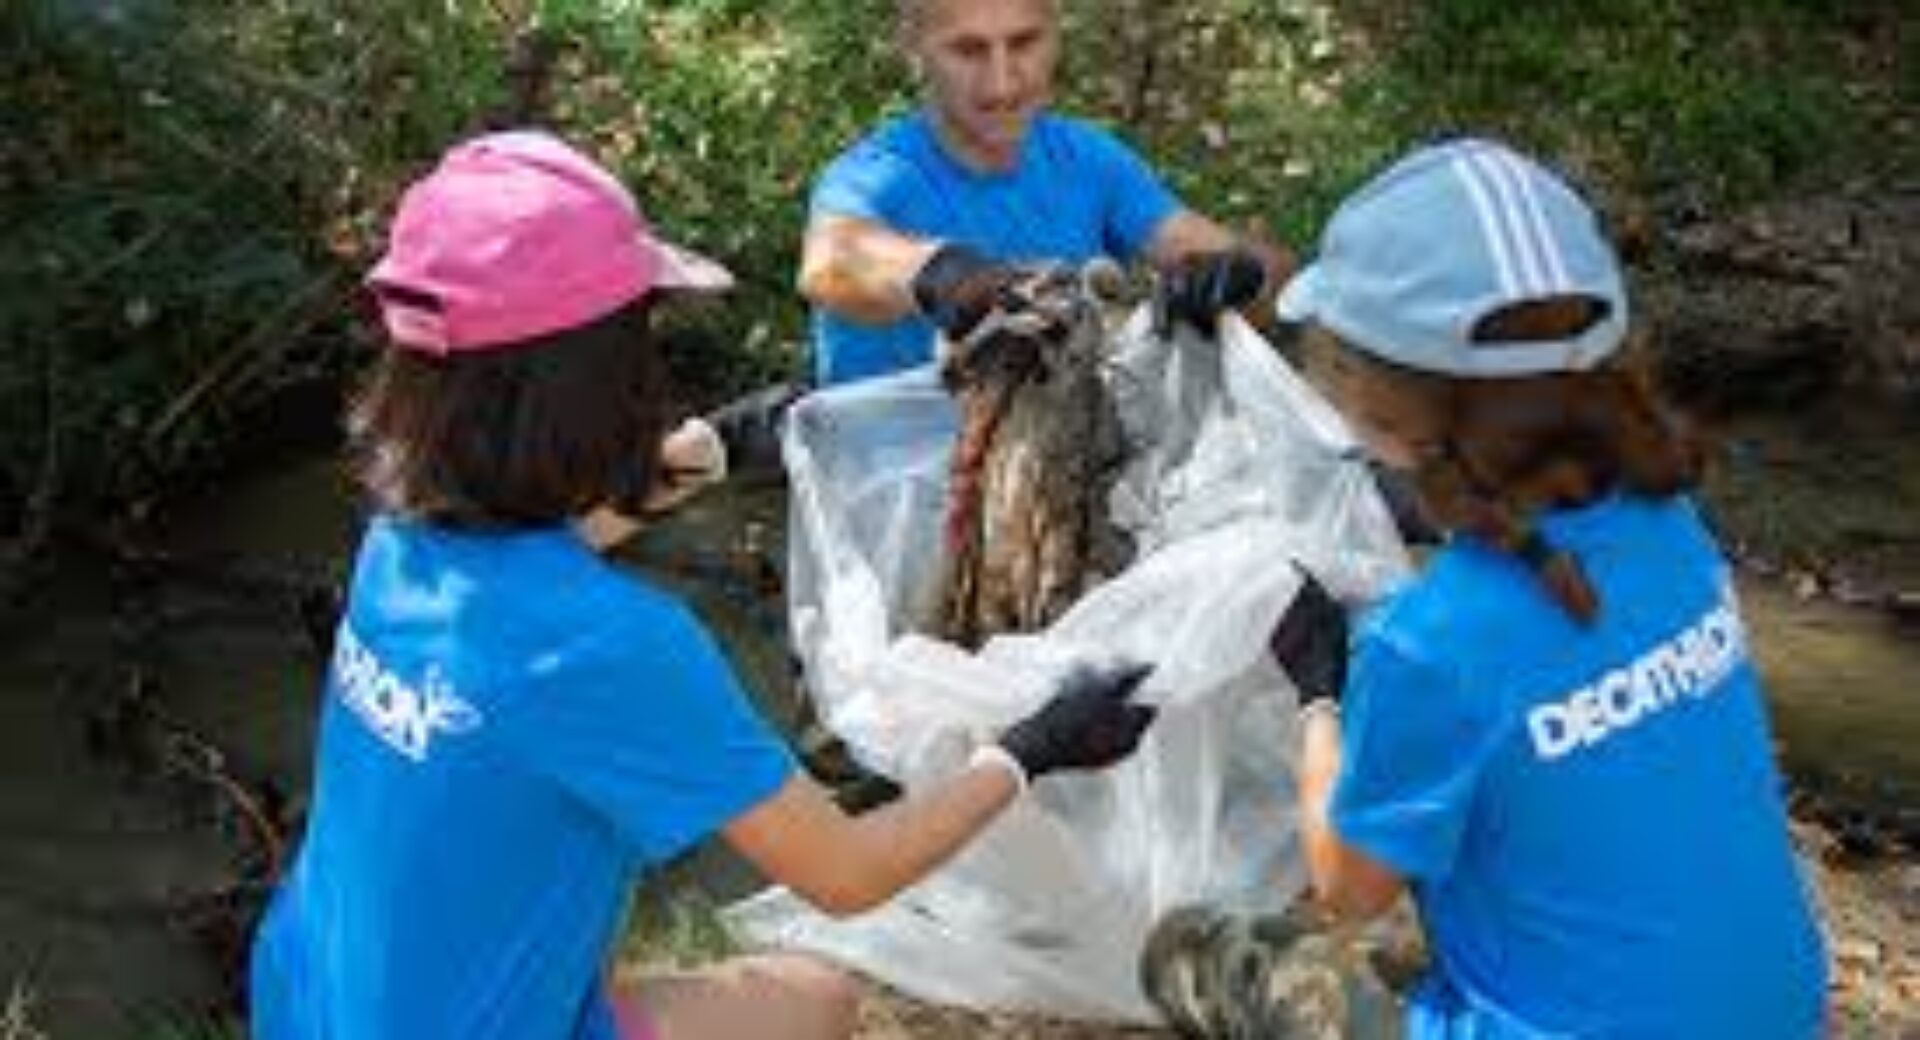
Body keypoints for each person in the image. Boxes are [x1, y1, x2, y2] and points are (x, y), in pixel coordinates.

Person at [246, 129, 1160, 1040]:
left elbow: (538, 536)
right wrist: (1028, 750)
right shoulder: (611, 644)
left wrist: (723, 444)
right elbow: (847, 874)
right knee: (820, 1000)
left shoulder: (398, 544)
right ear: (592, 380)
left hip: (308, 1001)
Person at [1142, 138, 1828, 1038]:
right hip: (1779, 1012)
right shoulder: (1670, 518)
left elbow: (1349, 889)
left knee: (1191, 951)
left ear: (1379, 405)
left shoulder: (1432, 638)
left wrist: (1319, 697)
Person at [797, 0, 1285, 387]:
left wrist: (1241, 275)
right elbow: (831, 263)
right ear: (914, 45)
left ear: (1056, 30)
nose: (1003, 82)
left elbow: (1268, 281)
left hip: (1058, 466)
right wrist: (945, 275)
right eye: (968, 50)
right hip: (894, 483)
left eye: (1024, 42)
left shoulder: (1088, 159)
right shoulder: (877, 173)